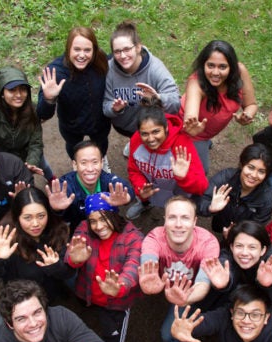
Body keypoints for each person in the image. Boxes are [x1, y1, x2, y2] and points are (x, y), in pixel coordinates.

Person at [138, 196, 220, 342]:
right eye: (172, 217)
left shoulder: (209, 243)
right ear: (165, 220)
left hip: (188, 293)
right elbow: (148, 260)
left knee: (168, 335)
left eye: (185, 218)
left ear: (195, 221)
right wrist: (149, 277)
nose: (178, 224)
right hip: (166, 284)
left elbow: (203, 284)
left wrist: (185, 299)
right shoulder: (154, 237)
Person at [65, 193, 143, 342]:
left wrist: (120, 286)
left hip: (117, 303)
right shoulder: (84, 228)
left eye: (103, 218)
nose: (98, 226)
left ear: (114, 214)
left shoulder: (133, 237)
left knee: (112, 336)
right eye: (93, 220)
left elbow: (134, 265)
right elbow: (72, 252)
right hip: (88, 294)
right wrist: (73, 260)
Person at [0, 187, 73, 303]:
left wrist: (56, 266)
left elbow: (69, 272)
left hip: (52, 293)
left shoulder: (58, 231)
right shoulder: (6, 239)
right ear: (17, 217)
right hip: (23, 299)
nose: (36, 224)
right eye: (27, 218)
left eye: (41, 216)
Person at [37, 27, 112, 168]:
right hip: (71, 126)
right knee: (74, 147)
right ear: (68, 49)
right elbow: (42, 113)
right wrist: (48, 99)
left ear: (94, 51)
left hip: (99, 122)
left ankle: (102, 160)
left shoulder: (100, 61)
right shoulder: (55, 73)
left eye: (87, 50)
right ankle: (77, 164)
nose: (82, 55)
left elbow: (118, 62)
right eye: (77, 49)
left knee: (101, 143)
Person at [180, 40, 259, 174]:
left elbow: (251, 104)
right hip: (192, 133)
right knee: (199, 172)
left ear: (232, 67)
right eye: (210, 65)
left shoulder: (240, 73)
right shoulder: (196, 82)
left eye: (222, 67)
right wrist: (191, 124)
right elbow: (190, 113)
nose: (215, 72)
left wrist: (247, 115)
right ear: (203, 65)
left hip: (205, 132)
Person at [103, 20, 180, 155]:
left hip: (152, 128)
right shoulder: (109, 70)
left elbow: (175, 102)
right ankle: (135, 141)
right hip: (124, 126)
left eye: (127, 49)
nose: (122, 56)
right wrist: (114, 109)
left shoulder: (155, 69)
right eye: (117, 51)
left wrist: (158, 98)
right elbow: (105, 107)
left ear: (138, 47)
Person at [126, 98, 208, 220]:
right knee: (145, 197)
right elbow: (133, 170)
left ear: (166, 128)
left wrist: (183, 177)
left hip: (177, 196)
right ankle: (144, 204)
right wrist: (140, 188)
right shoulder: (136, 140)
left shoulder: (181, 145)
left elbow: (201, 187)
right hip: (151, 193)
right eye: (145, 134)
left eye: (156, 132)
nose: (151, 139)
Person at [195, 220, 272, 312]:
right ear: (231, 247)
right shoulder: (227, 253)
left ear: (263, 250)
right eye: (239, 246)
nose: (244, 253)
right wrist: (226, 282)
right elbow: (225, 262)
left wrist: (265, 284)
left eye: (252, 247)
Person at [46, 140, 132, 232]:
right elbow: (60, 217)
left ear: (102, 162)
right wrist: (57, 210)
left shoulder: (107, 180)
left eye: (95, 162)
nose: (90, 169)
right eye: (83, 163)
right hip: (79, 228)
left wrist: (127, 198)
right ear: (75, 165)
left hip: (107, 225)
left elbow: (125, 187)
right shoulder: (65, 186)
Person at [195, 143, 272, 234]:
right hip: (220, 220)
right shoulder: (225, 178)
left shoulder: (266, 200)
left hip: (241, 234)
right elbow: (200, 200)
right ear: (242, 165)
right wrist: (210, 208)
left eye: (261, 171)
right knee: (217, 228)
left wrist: (237, 235)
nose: (253, 175)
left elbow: (256, 228)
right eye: (250, 167)